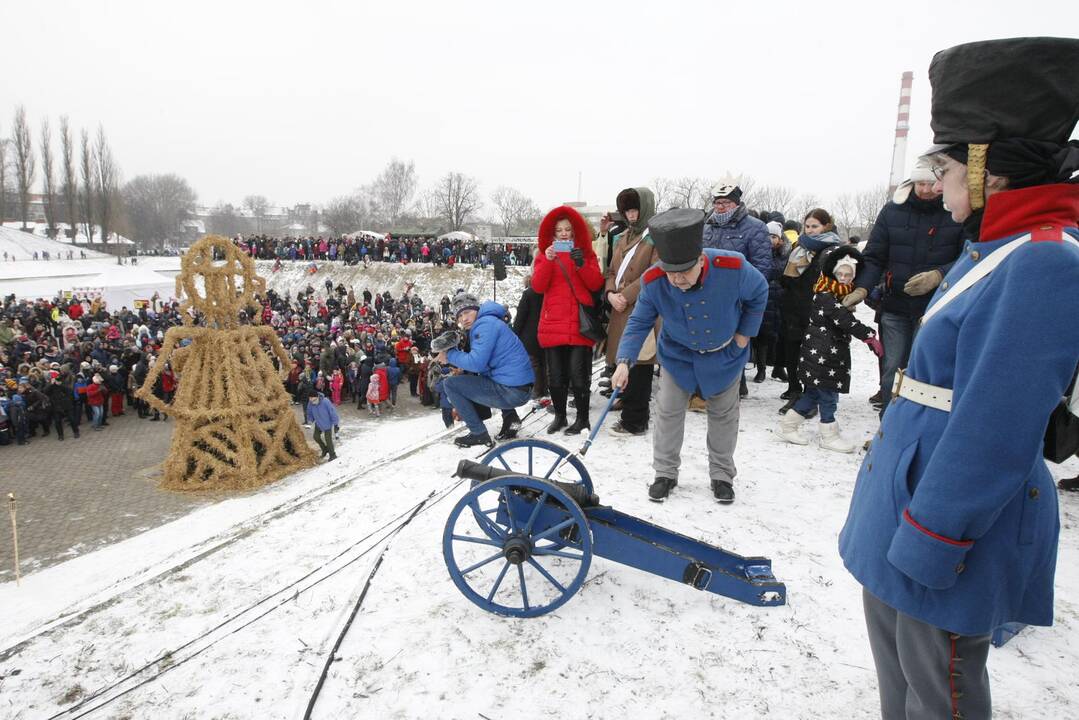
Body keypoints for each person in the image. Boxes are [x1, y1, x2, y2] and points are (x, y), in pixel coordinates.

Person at [838, 37, 1079, 720]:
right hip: (910, 493)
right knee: (899, 677)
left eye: (942, 169)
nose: (934, 185)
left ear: (986, 171)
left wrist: (934, 536)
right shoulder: (993, 250)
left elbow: (994, 429)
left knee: (937, 690)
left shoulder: (1042, 263)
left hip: (943, 514)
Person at [611, 208, 767, 503]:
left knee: (723, 416)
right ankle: (665, 473)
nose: (678, 280)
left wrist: (744, 335)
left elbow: (759, 292)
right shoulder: (654, 280)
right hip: (678, 356)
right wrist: (624, 361)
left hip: (725, 355)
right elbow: (639, 321)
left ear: (700, 259)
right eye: (672, 273)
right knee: (668, 412)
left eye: (684, 272)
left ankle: (722, 475)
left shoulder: (733, 268)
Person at [843, 158, 964, 415]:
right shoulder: (892, 211)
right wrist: (862, 288)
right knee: (892, 368)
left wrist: (940, 274)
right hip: (895, 306)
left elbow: (968, 256)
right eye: (920, 183)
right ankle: (888, 426)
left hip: (935, 309)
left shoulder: (956, 211)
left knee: (924, 370)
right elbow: (875, 256)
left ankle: (917, 426)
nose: (925, 190)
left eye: (931, 184)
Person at [777, 246, 883, 452]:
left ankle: (788, 427)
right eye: (840, 274)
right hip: (822, 356)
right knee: (828, 396)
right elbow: (845, 320)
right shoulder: (825, 294)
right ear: (832, 273)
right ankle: (829, 435)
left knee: (814, 395)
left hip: (826, 354)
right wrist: (869, 336)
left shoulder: (836, 294)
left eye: (849, 275)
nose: (843, 278)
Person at [531, 206, 604, 435]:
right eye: (559, 230)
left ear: (574, 233)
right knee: (556, 375)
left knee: (579, 374)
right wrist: (548, 260)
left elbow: (595, 284)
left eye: (568, 230)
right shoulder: (545, 255)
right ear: (553, 234)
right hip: (553, 322)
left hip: (578, 323)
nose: (563, 234)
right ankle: (560, 416)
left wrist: (581, 263)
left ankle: (582, 419)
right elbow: (538, 286)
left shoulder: (585, 253)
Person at [702, 182, 773, 399]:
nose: (720, 207)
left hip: (736, 296)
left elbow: (762, 266)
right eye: (717, 202)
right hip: (706, 294)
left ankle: (735, 384)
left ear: (736, 203)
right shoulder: (706, 226)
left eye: (725, 202)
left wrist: (747, 296)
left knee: (735, 342)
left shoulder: (755, 227)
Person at [438, 291, 535, 448]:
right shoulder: (489, 321)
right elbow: (484, 364)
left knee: (450, 384)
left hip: (512, 391)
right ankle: (511, 419)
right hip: (519, 387)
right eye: (459, 316)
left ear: (477, 308)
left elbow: (477, 363)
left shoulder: (484, 325)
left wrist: (449, 355)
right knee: (481, 378)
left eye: (467, 312)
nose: (464, 319)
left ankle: (478, 434)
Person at [601, 187, 659, 436]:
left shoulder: (656, 236)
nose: (632, 216)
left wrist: (626, 295)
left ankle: (636, 419)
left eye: (635, 210)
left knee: (641, 363)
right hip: (619, 307)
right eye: (628, 211)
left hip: (642, 306)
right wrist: (611, 293)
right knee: (622, 360)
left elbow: (654, 272)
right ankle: (625, 398)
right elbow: (612, 270)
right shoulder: (623, 236)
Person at [778, 209, 842, 413]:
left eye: (815, 226)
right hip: (793, 307)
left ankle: (810, 395)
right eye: (807, 226)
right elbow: (786, 274)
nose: (810, 230)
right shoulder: (799, 246)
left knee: (812, 356)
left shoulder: (834, 250)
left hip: (817, 310)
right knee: (792, 351)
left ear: (826, 226)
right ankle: (794, 391)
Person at [753, 221, 790, 384]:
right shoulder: (759, 253)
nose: (770, 239)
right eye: (767, 235)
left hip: (780, 300)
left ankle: (778, 367)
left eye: (774, 236)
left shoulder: (786, 256)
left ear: (780, 239)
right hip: (763, 298)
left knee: (778, 337)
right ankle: (761, 369)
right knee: (761, 336)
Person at [307, 391, 340, 461]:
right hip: (318, 423)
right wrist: (310, 420)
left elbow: (332, 412)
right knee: (316, 437)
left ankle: (332, 455)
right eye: (311, 400)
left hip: (327, 424)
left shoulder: (326, 402)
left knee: (328, 440)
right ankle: (324, 449)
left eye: (314, 400)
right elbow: (309, 413)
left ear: (317, 397)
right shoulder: (310, 403)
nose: (313, 402)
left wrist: (335, 423)